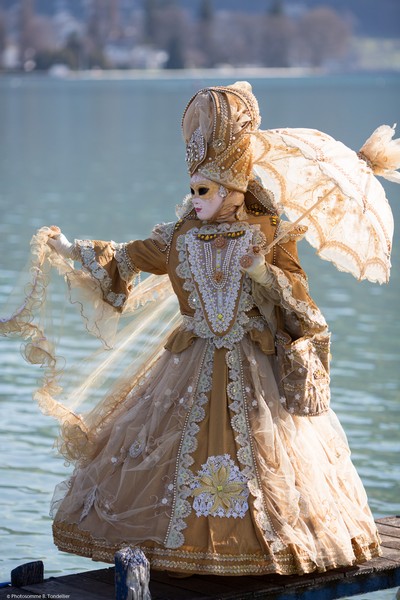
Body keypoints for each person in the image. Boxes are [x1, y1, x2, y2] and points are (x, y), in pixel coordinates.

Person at [9, 82, 382, 576]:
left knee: (268, 466)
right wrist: (66, 249)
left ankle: (255, 552)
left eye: (203, 189)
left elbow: (302, 306)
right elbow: (127, 258)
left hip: (256, 374)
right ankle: (179, 552)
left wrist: (261, 271)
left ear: (233, 192)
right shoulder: (181, 235)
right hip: (187, 366)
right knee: (161, 457)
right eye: (192, 188)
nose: (194, 197)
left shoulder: (270, 235)